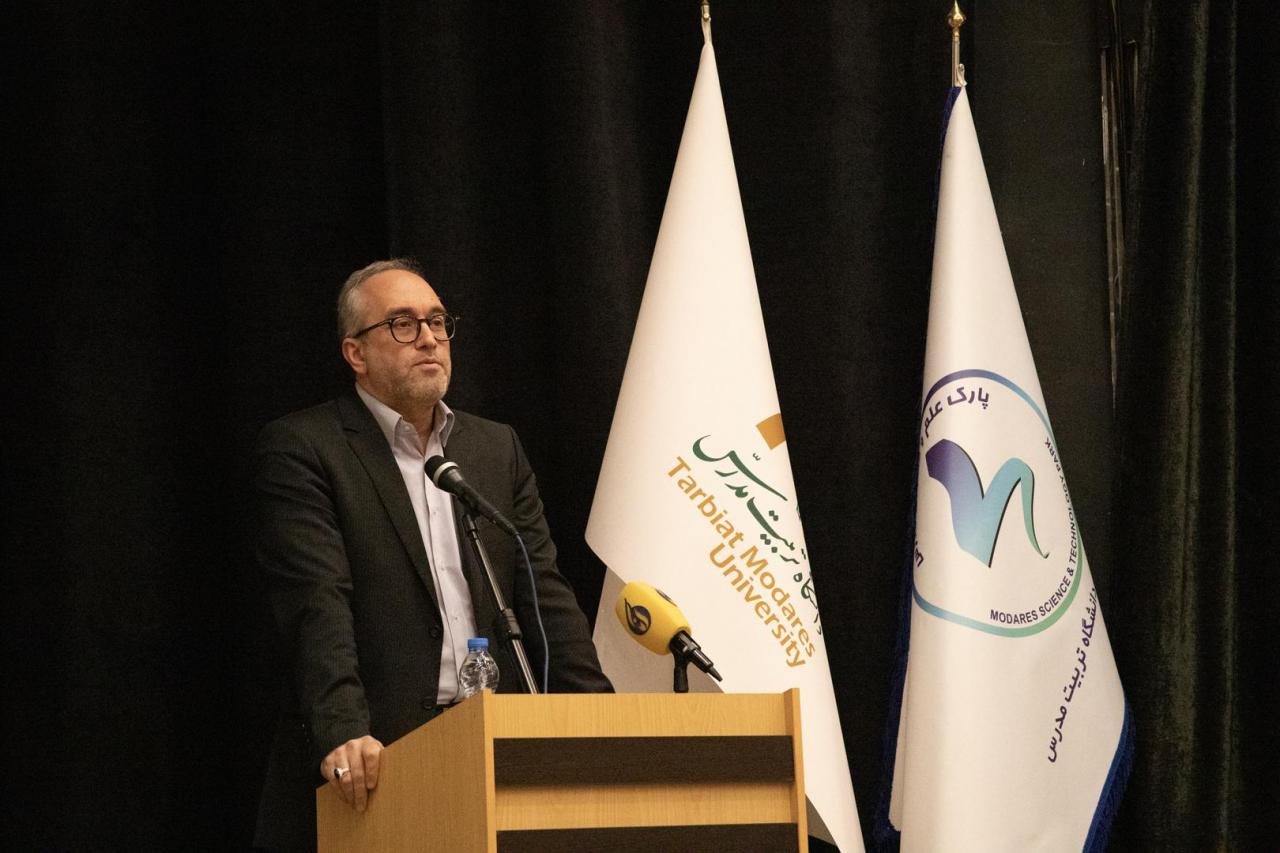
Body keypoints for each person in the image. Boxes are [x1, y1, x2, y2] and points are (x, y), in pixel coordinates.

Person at [252, 259, 612, 852]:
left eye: (438, 321)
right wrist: (344, 731)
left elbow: (543, 591)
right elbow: (318, 604)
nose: (428, 337)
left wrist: (601, 716)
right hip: (380, 759)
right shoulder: (306, 448)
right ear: (355, 353)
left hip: (494, 750)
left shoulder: (493, 448)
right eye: (402, 323)